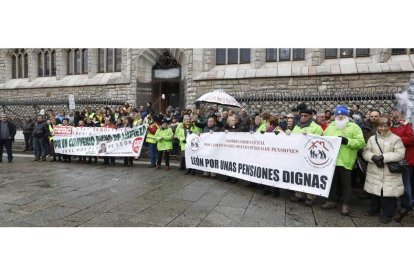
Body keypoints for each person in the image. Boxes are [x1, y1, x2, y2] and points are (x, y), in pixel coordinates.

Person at [321, 105, 365, 215]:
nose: (340, 116)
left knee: (346, 184)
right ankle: (331, 201)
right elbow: (323, 139)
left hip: (346, 160)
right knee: (332, 182)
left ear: (347, 116)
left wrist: (348, 141)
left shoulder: (354, 127)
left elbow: (361, 143)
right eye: (338, 114)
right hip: (331, 161)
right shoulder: (331, 126)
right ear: (335, 116)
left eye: (342, 114)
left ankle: (346, 204)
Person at [362, 117, 405, 223]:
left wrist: (383, 157)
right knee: (375, 191)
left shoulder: (396, 139)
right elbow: (365, 152)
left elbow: (400, 154)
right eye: (381, 126)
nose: (383, 128)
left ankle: (387, 213)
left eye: (385, 126)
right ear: (377, 127)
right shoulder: (372, 139)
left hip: (389, 171)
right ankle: (374, 209)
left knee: (388, 194)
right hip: (375, 169)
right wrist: (373, 157)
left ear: (389, 126)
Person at [289, 109, 323, 206]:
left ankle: (310, 196)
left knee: (309, 176)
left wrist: (309, 136)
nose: (303, 117)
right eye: (302, 115)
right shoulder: (297, 126)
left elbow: (320, 141)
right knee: (298, 174)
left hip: (310, 156)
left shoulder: (316, 127)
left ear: (310, 117)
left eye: (306, 116)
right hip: (298, 155)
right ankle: (298, 194)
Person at [390, 106, 414, 222]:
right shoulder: (392, 125)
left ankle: (406, 206)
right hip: (397, 159)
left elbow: (411, 139)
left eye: (395, 111)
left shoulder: (407, 125)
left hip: (407, 160)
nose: (393, 113)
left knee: (406, 185)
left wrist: (395, 139)